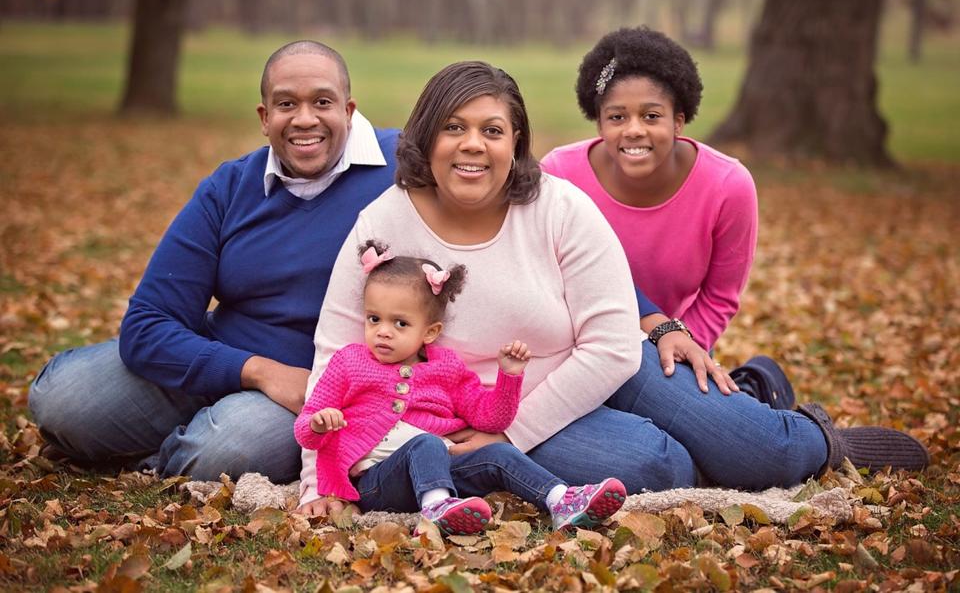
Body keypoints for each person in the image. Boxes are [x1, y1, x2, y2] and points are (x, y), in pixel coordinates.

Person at [298, 60, 928, 512]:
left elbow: (611, 345)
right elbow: (335, 353)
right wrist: (313, 485)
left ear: (516, 142)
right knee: (659, 466)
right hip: (472, 409)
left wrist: (508, 438)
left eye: (493, 130)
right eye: (454, 127)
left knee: (762, 455)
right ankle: (729, 414)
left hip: (608, 370)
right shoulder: (383, 221)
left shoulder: (558, 207)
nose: (473, 146)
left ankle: (811, 433)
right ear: (425, 136)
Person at [27, 40, 399, 483]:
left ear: (349, 110)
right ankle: (181, 434)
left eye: (322, 102)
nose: (304, 119)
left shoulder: (401, 165)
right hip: (230, 360)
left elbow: (484, 170)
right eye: (286, 104)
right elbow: (148, 324)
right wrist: (258, 372)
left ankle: (162, 454)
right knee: (60, 398)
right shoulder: (230, 186)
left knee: (221, 450)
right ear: (264, 118)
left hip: (321, 388)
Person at [295, 240, 626, 533]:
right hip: (377, 483)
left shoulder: (447, 369)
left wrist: (508, 377)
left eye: (400, 323)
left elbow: (490, 420)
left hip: (444, 467)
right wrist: (318, 422)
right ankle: (437, 508)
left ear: (430, 332)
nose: (383, 331)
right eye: (374, 319)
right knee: (424, 444)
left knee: (498, 451)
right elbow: (305, 428)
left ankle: (562, 501)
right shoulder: (349, 362)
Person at [540, 26, 785, 404]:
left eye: (651, 116)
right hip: (579, 343)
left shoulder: (728, 186)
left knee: (699, 438)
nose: (634, 130)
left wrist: (675, 346)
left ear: (678, 121)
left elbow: (720, 296)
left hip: (672, 346)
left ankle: (756, 385)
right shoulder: (560, 173)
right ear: (600, 122)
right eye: (617, 117)